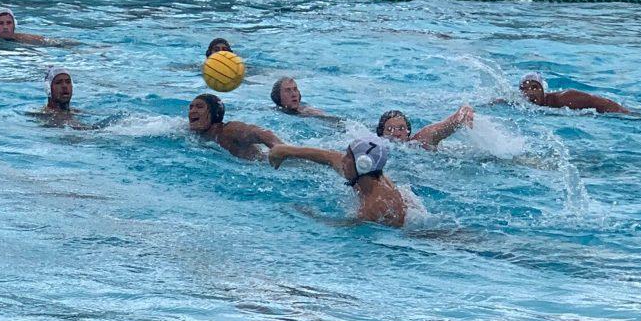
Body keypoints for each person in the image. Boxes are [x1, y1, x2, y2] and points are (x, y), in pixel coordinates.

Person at [268, 137, 407, 227]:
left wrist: (309, 215)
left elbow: (346, 226)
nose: (343, 159)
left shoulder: (374, 207)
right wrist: (286, 151)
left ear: (362, 164)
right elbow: (328, 156)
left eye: (348, 156)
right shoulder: (364, 175)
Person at [188, 94, 283, 162]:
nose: (192, 111)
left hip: (270, 164)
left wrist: (278, 147)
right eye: (191, 107)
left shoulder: (229, 130)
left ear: (215, 114)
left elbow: (260, 133)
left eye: (199, 107)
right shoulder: (194, 133)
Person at [518, 73, 636, 114]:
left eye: (535, 87)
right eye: (525, 89)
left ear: (543, 90)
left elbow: (602, 102)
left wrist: (630, 114)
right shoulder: (521, 103)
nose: (530, 92)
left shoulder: (565, 98)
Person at [377, 106, 474, 150]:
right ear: (381, 133)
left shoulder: (421, 140)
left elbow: (449, 123)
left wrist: (463, 113)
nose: (396, 133)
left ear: (408, 132)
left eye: (401, 128)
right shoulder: (375, 146)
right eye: (389, 129)